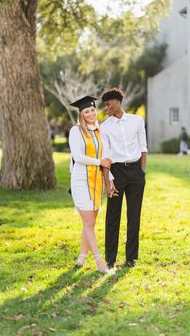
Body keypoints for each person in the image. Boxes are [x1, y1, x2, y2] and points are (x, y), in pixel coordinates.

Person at [100, 88, 148, 269]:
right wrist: (108, 181)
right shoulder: (104, 127)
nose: (106, 107)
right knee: (113, 216)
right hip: (117, 172)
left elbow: (143, 148)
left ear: (118, 102)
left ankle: (131, 258)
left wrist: (142, 172)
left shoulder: (137, 121)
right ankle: (110, 260)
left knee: (134, 216)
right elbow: (106, 156)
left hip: (136, 172)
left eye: (108, 104)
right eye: (105, 105)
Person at [69, 95, 114, 274]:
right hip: (81, 181)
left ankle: (82, 257)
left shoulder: (98, 131)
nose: (90, 113)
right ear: (81, 114)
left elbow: (106, 159)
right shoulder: (76, 131)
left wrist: (109, 179)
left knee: (90, 222)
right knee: (88, 222)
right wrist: (100, 162)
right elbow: (78, 157)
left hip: (95, 181)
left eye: (92, 110)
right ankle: (99, 262)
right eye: (86, 111)